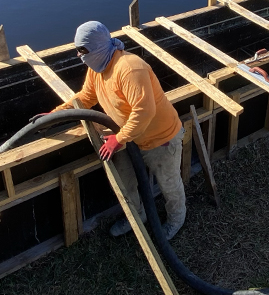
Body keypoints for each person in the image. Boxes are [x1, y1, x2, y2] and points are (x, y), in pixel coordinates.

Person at [53, 21, 187, 240]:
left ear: (97, 47)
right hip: (129, 136)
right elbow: (86, 97)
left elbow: (144, 111)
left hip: (160, 138)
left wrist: (119, 139)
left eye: (82, 50)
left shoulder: (129, 68)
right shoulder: (97, 68)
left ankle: (176, 219)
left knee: (169, 184)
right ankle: (138, 215)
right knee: (125, 181)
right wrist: (55, 114)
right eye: (77, 50)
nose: (79, 56)